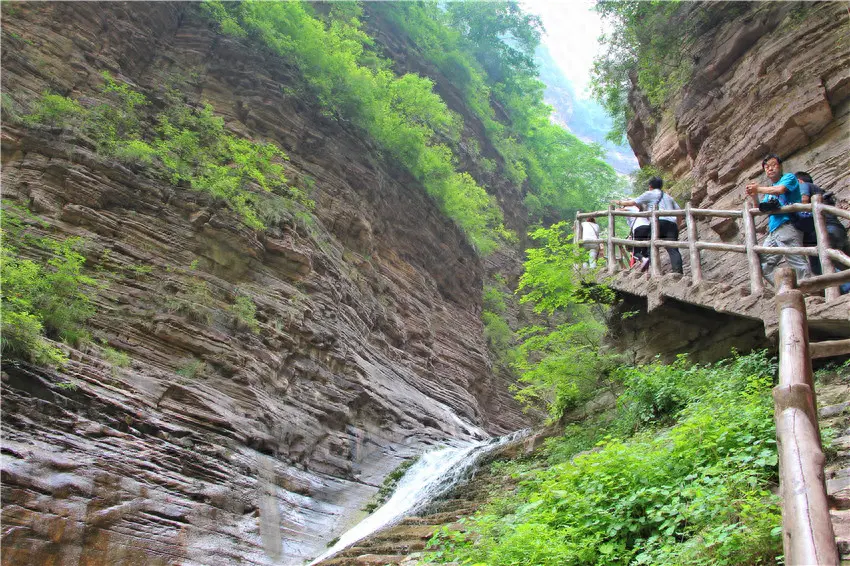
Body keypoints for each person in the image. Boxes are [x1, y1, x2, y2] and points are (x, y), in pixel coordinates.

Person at [745, 154, 810, 285]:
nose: (770, 169)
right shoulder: (769, 191)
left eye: (773, 165)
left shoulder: (789, 178)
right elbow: (759, 208)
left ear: (780, 167)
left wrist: (758, 188)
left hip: (788, 225)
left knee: (797, 261)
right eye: (767, 167)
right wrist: (754, 196)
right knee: (762, 264)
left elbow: (780, 190)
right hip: (773, 231)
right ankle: (786, 289)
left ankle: (810, 293)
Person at [614, 177, 683, 274]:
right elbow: (679, 212)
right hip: (672, 224)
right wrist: (677, 226)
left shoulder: (649, 194)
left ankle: (655, 272)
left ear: (650, 186)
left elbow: (633, 202)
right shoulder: (669, 197)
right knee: (673, 250)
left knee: (651, 247)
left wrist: (619, 202)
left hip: (658, 222)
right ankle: (678, 273)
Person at [796, 171, 849, 275]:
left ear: (799, 181)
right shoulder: (819, 192)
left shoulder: (804, 185)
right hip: (837, 230)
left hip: (827, 231)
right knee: (838, 263)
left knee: (822, 267)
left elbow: (804, 200)